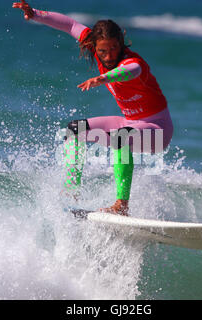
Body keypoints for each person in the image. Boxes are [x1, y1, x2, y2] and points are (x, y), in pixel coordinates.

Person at [13, 1, 173, 215]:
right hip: (130, 123)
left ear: (121, 43)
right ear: (95, 47)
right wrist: (35, 14)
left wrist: (102, 78)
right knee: (74, 129)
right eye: (103, 51)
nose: (108, 56)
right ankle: (71, 191)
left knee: (120, 137)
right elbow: (69, 25)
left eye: (114, 48)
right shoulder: (94, 46)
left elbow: (130, 71)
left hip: (157, 130)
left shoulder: (133, 62)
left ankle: (121, 205)